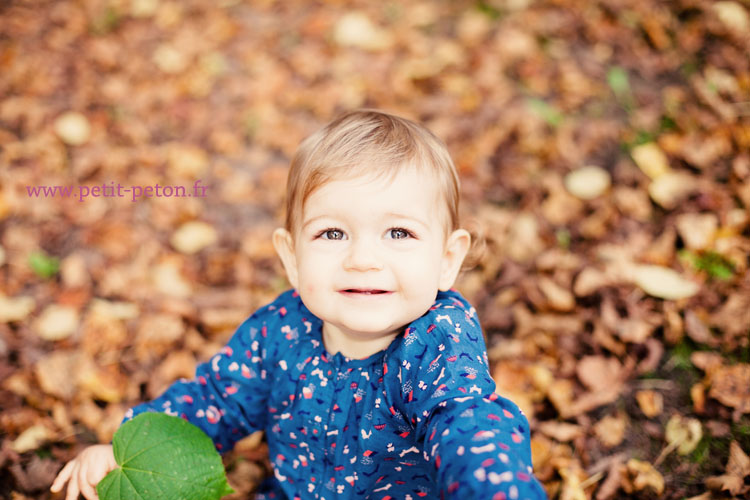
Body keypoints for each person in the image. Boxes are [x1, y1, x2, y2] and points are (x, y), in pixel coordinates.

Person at [52, 110, 547, 500]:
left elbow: (468, 426)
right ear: (291, 257)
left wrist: (498, 491)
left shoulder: (436, 344)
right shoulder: (281, 331)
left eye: (399, 232)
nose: (362, 260)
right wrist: (126, 446)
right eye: (332, 233)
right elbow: (214, 399)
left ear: (446, 259)